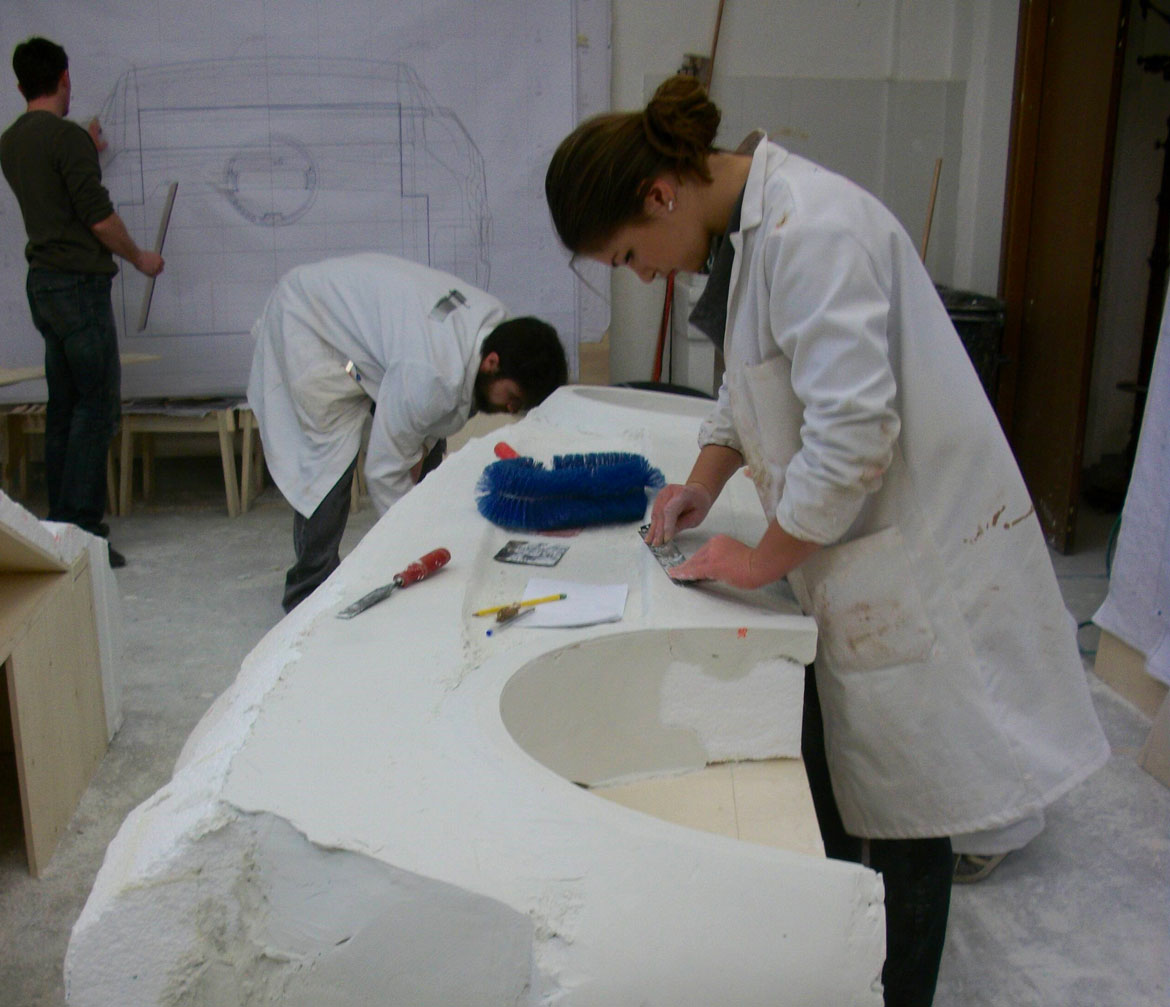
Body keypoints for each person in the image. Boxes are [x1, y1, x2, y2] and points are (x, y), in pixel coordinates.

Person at [545, 75, 1109, 1006]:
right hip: (853, 551)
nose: (643, 276)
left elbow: (852, 434)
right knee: (864, 788)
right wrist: (703, 481)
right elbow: (749, 386)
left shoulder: (813, 231)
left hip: (914, 555)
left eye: (630, 255)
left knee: (914, 809)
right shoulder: (746, 237)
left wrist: (760, 557)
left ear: (660, 194)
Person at [247, 252, 567, 612]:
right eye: (512, 399)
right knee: (326, 472)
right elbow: (383, 472)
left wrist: (418, 452)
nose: (509, 410)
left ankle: (425, 560)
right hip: (310, 324)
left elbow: (431, 415)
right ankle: (306, 594)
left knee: (423, 447)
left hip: (367, 330)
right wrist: (413, 545)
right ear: (492, 363)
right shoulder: (432, 374)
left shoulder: (496, 332)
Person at [2, 37, 164, 567]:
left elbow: (56, 186)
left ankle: (59, 529)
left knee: (65, 407)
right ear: (65, 78)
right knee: (95, 409)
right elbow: (98, 219)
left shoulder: (12, 141)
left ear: (20, 85)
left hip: (44, 287)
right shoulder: (66, 140)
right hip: (78, 288)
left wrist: (84, 152)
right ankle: (85, 536)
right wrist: (139, 258)